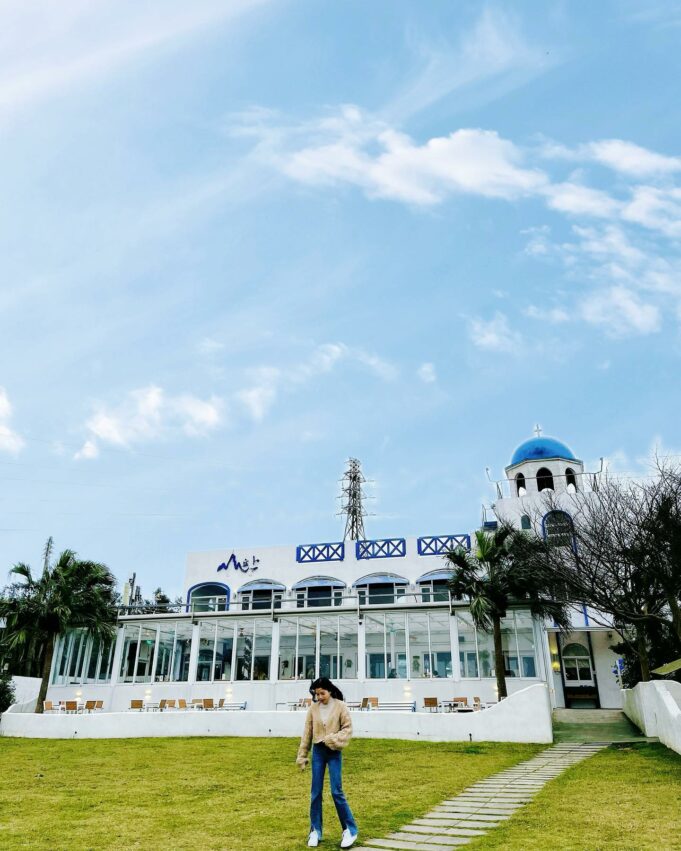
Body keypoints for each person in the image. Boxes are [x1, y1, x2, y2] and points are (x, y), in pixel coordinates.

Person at [296, 677, 358, 849]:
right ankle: (315, 831)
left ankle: (350, 830)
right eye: (317, 694)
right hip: (318, 752)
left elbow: (347, 729)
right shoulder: (313, 709)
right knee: (315, 792)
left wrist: (332, 739)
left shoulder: (341, 706)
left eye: (322, 693)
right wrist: (302, 755)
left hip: (334, 751)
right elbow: (307, 733)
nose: (320, 697)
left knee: (336, 791)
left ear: (330, 691)